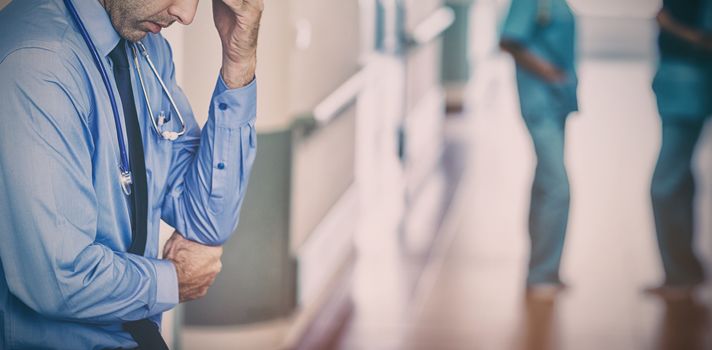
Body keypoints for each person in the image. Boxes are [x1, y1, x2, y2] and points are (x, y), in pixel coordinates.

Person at [0, 0, 262, 348]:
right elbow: (56, 280)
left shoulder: (147, 49)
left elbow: (206, 222)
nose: (187, 15)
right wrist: (172, 280)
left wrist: (238, 62)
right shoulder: (39, 63)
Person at [499, 0, 578, 298]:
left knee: (546, 182)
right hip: (541, 100)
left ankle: (543, 268)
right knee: (557, 186)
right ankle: (542, 274)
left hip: (556, 101)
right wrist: (549, 72)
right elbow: (509, 41)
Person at [646, 0, 712, 299]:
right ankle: (686, 269)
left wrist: (668, 25)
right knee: (680, 181)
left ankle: (680, 273)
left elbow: (705, 40)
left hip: (689, 96)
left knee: (664, 186)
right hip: (677, 96)